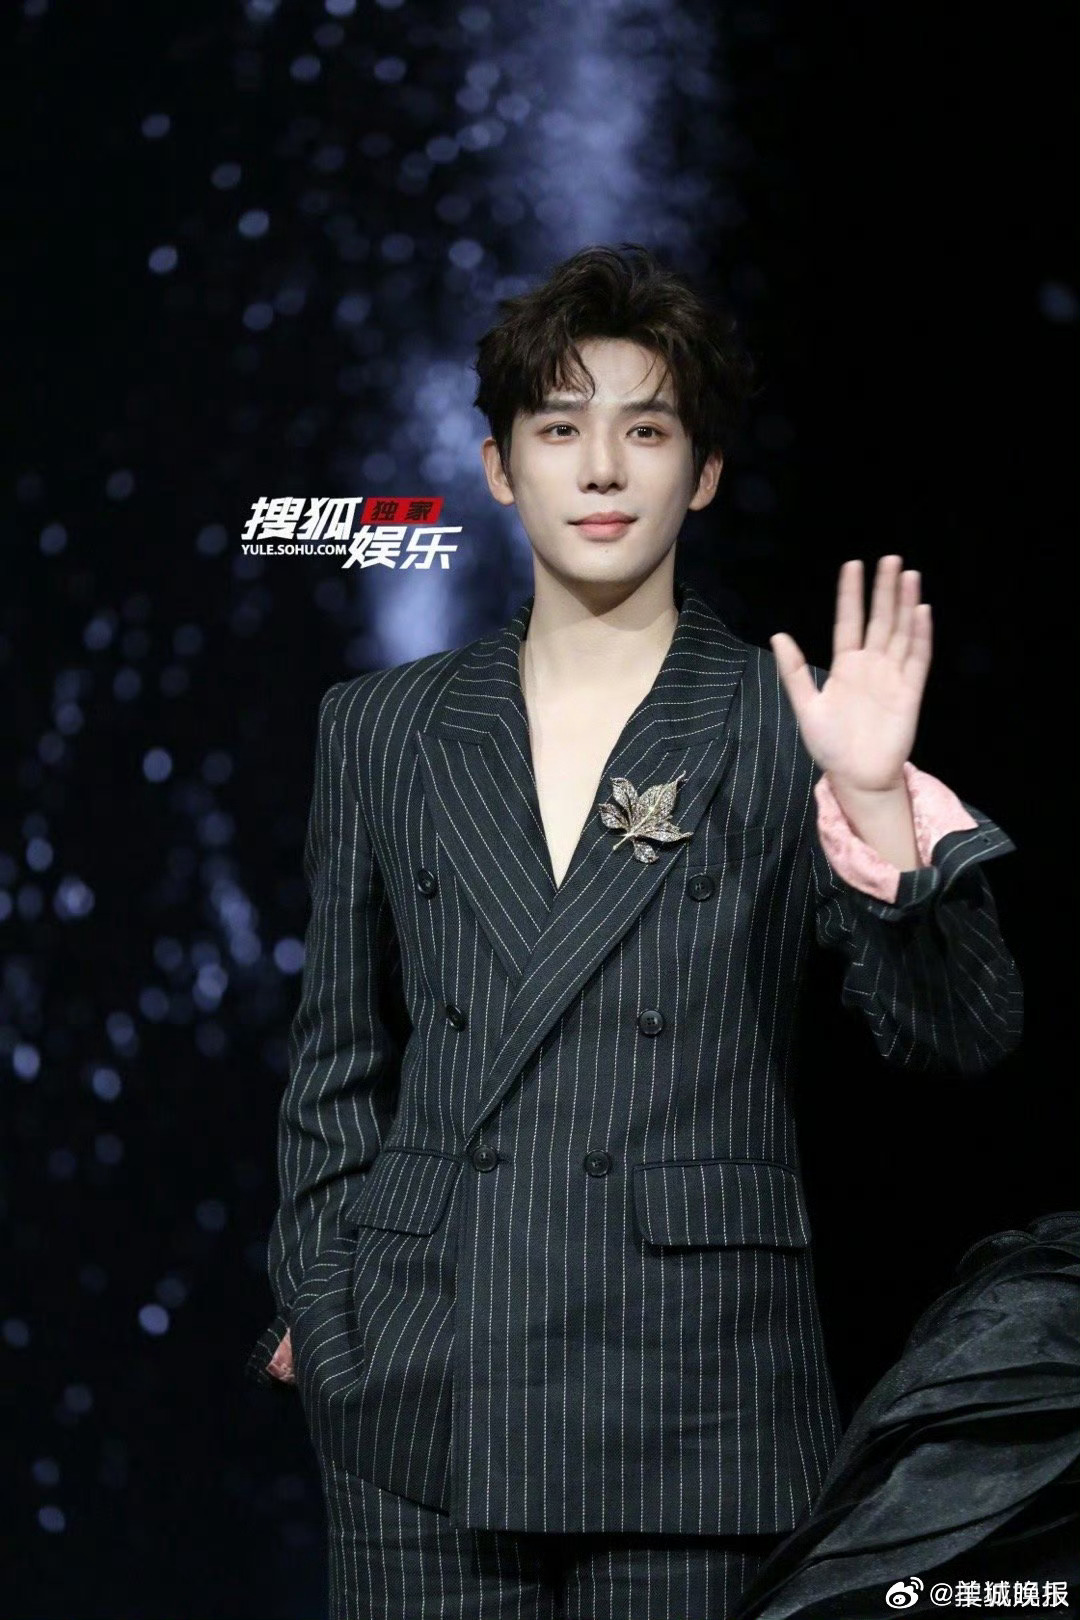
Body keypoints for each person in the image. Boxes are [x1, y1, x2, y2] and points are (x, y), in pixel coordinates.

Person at [243, 243, 1023, 1619]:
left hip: (695, 1386)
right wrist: (325, 1306)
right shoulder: (380, 728)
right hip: (420, 1389)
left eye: (646, 431)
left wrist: (874, 803)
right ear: (498, 467)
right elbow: (336, 1064)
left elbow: (960, 1038)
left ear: (703, 471)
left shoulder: (788, 720)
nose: (601, 470)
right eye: (559, 430)